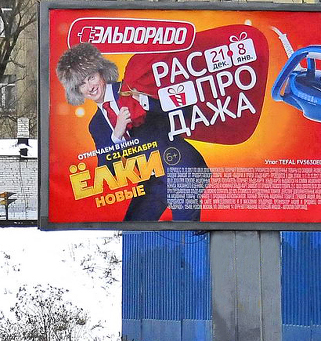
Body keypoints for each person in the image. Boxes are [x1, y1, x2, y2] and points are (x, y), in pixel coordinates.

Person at [55, 43, 210, 222]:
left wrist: (144, 100)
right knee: (132, 227)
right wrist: (116, 136)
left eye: (91, 77)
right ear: (77, 91)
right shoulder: (96, 125)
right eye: (82, 84)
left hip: (182, 170)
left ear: (102, 73)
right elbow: (108, 170)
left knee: (186, 234)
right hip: (154, 180)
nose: (90, 87)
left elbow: (184, 110)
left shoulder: (134, 85)